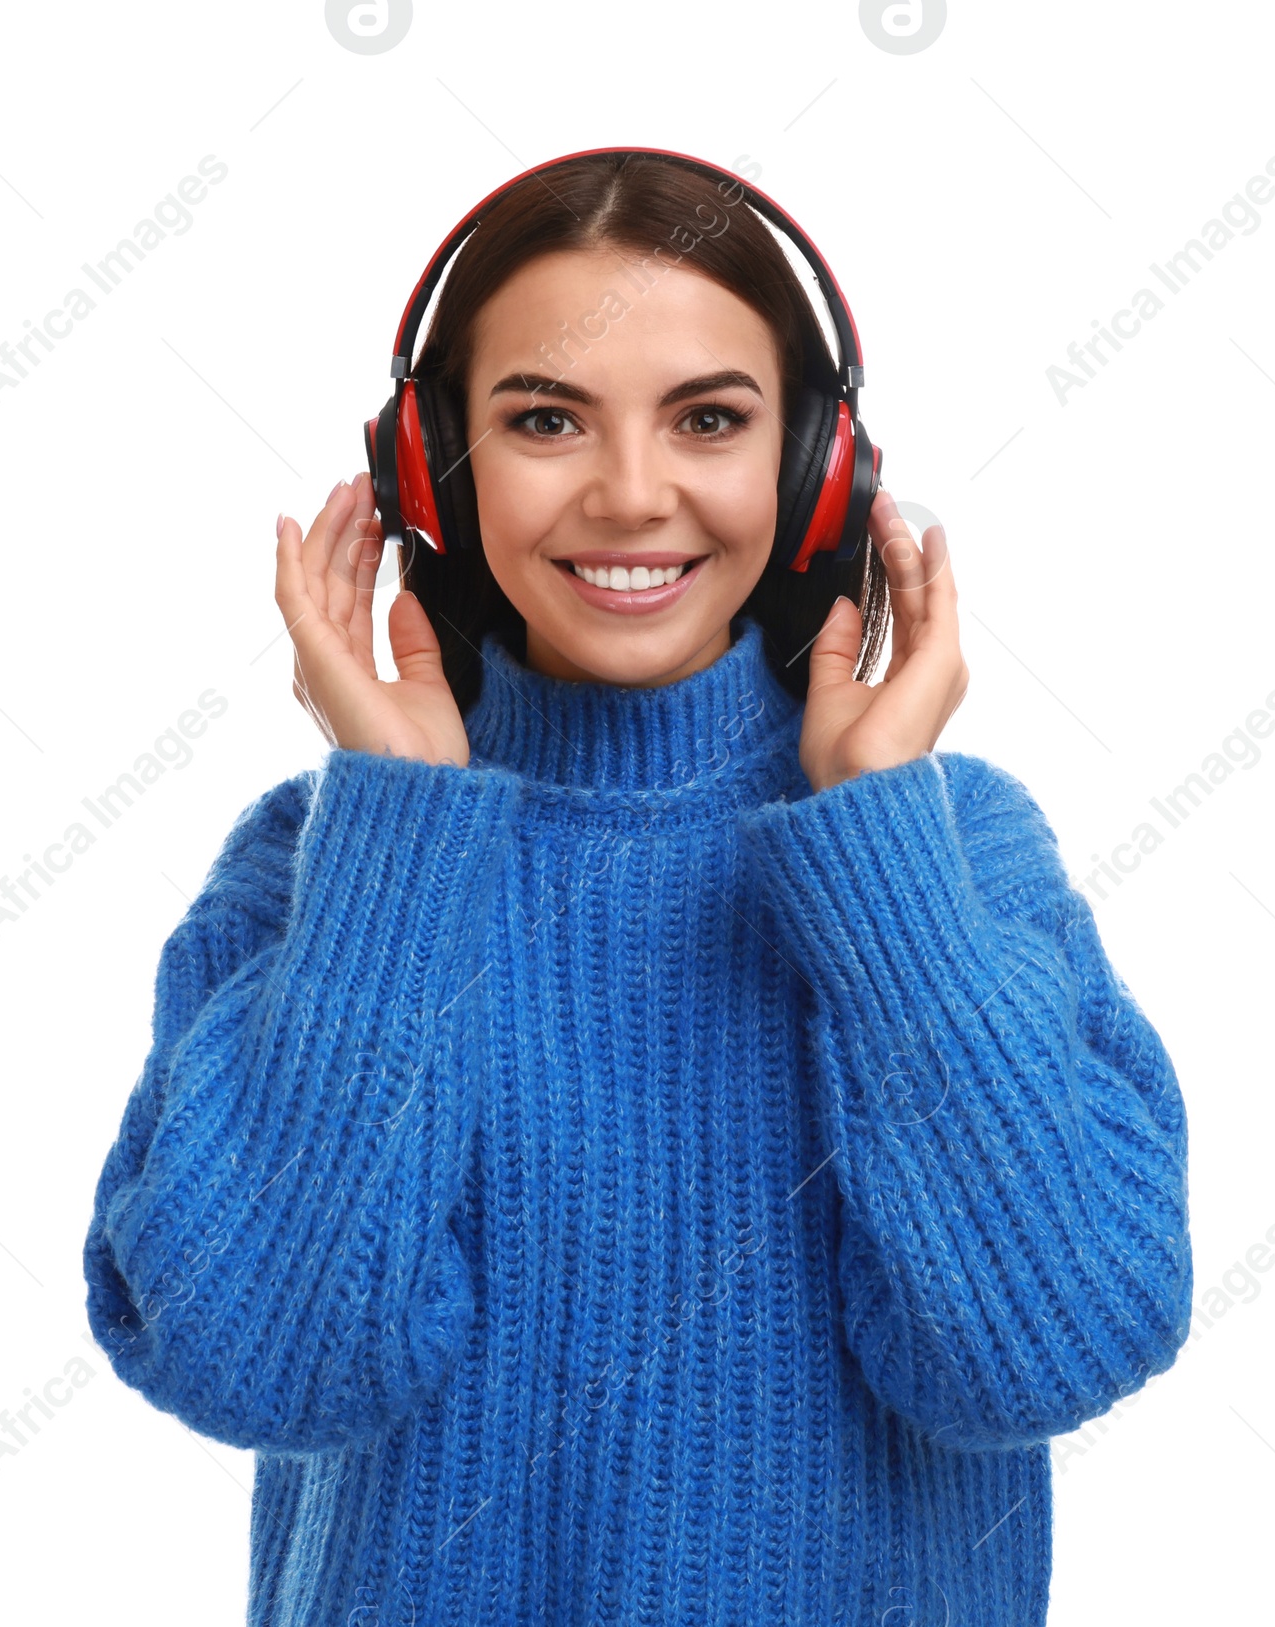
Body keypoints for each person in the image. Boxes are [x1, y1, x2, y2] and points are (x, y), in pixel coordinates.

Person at [82, 149, 1193, 1626]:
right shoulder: (320, 872)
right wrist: (398, 839)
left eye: (709, 420)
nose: (629, 494)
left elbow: (1054, 1346)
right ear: (434, 469)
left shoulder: (952, 858)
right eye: (544, 419)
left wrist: (878, 854)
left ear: (813, 473)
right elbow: (259, 1366)